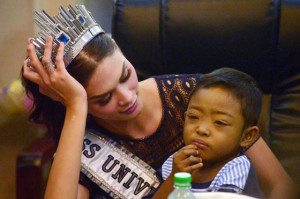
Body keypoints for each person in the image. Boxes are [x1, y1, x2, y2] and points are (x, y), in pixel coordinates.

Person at [22, 4, 295, 199]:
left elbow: (281, 185)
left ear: (121, 49)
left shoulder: (195, 96)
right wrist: (77, 108)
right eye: (103, 98)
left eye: (126, 74)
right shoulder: (82, 142)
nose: (127, 97)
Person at [152, 68, 263, 198]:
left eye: (220, 123)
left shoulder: (237, 170)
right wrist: (174, 178)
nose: (201, 129)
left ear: (247, 136)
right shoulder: (177, 162)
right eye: (193, 117)